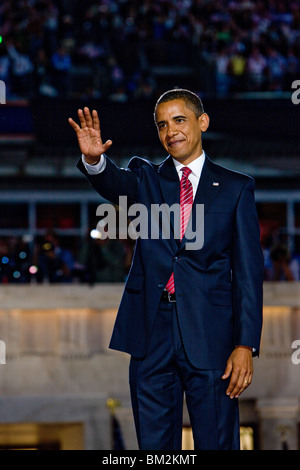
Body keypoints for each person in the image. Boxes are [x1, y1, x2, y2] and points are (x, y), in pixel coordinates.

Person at [68, 88, 263, 450]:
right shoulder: (146, 179)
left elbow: (249, 274)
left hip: (212, 336)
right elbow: (114, 184)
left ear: (202, 122)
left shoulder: (236, 188)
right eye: (161, 125)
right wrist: (95, 161)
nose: (170, 131)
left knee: (218, 442)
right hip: (151, 333)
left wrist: (245, 344)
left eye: (179, 120)